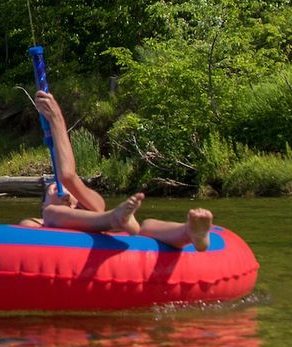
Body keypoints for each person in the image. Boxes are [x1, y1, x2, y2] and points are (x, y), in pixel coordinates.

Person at [26, 90, 213, 250]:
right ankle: (117, 219)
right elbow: (32, 232)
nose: (64, 194)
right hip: (103, 223)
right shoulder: (39, 221)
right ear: (41, 206)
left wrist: (56, 119)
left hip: (112, 225)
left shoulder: (93, 206)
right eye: (53, 189)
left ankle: (190, 232)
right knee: (53, 215)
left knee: (146, 226)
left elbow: (67, 176)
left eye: (71, 194)